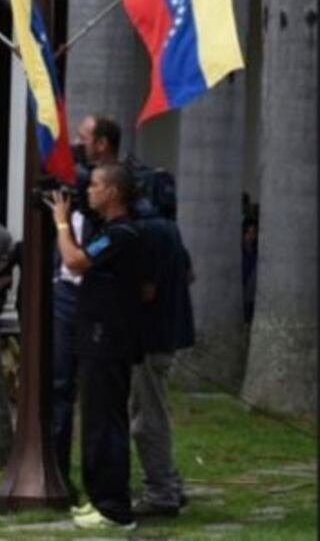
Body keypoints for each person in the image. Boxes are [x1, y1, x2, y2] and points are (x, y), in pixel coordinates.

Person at [51, 164, 143, 531]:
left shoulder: (121, 234)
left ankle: (114, 508)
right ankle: (101, 499)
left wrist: (61, 221)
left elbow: (74, 261)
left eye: (96, 185)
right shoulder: (108, 231)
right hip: (97, 339)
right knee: (94, 423)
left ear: (114, 193)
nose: (88, 191)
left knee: (106, 424)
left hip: (108, 341)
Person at [51, 114, 123, 490]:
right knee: (59, 387)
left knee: (98, 396)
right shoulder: (74, 184)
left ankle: (103, 487)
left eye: (84, 139)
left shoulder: (117, 204)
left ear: (103, 144)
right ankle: (58, 476)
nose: (77, 146)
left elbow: (78, 258)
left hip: (95, 301)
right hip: (64, 294)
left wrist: (63, 222)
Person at [130, 207, 194, 518]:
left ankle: (162, 492)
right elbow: (189, 274)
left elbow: (146, 289)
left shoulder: (148, 233)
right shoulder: (171, 230)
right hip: (164, 335)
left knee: (147, 418)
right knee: (148, 412)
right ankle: (169, 482)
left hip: (148, 340)